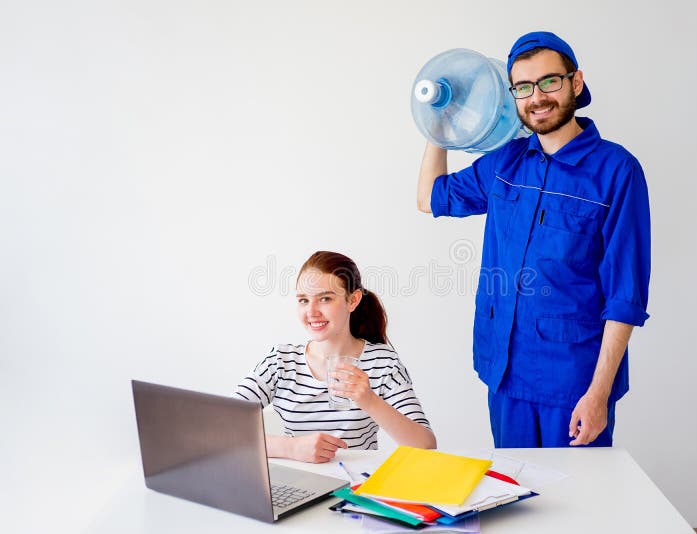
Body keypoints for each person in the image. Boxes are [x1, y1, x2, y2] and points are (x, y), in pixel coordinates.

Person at [416, 31, 651, 448]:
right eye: (523, 87)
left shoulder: (617, 171)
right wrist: (439, 123)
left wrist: (598, 395)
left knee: (579, 505)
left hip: (573, 382)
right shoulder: (506, 162)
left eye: (549, 82)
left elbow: (626, 296)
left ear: (575, 83)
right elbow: (429, 197)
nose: (537, 97)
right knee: (518, 504)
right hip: (504, 371)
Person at [235, 250, 436, 463]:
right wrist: (290, 448)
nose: (311, 311)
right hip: (298, 486)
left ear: (353, 300)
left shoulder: (382, 363)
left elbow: (425, 445)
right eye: (303, 300)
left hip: (357, 488)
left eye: (325, 299)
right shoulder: (280, 362)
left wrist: (369, 400)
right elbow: (221, 427)